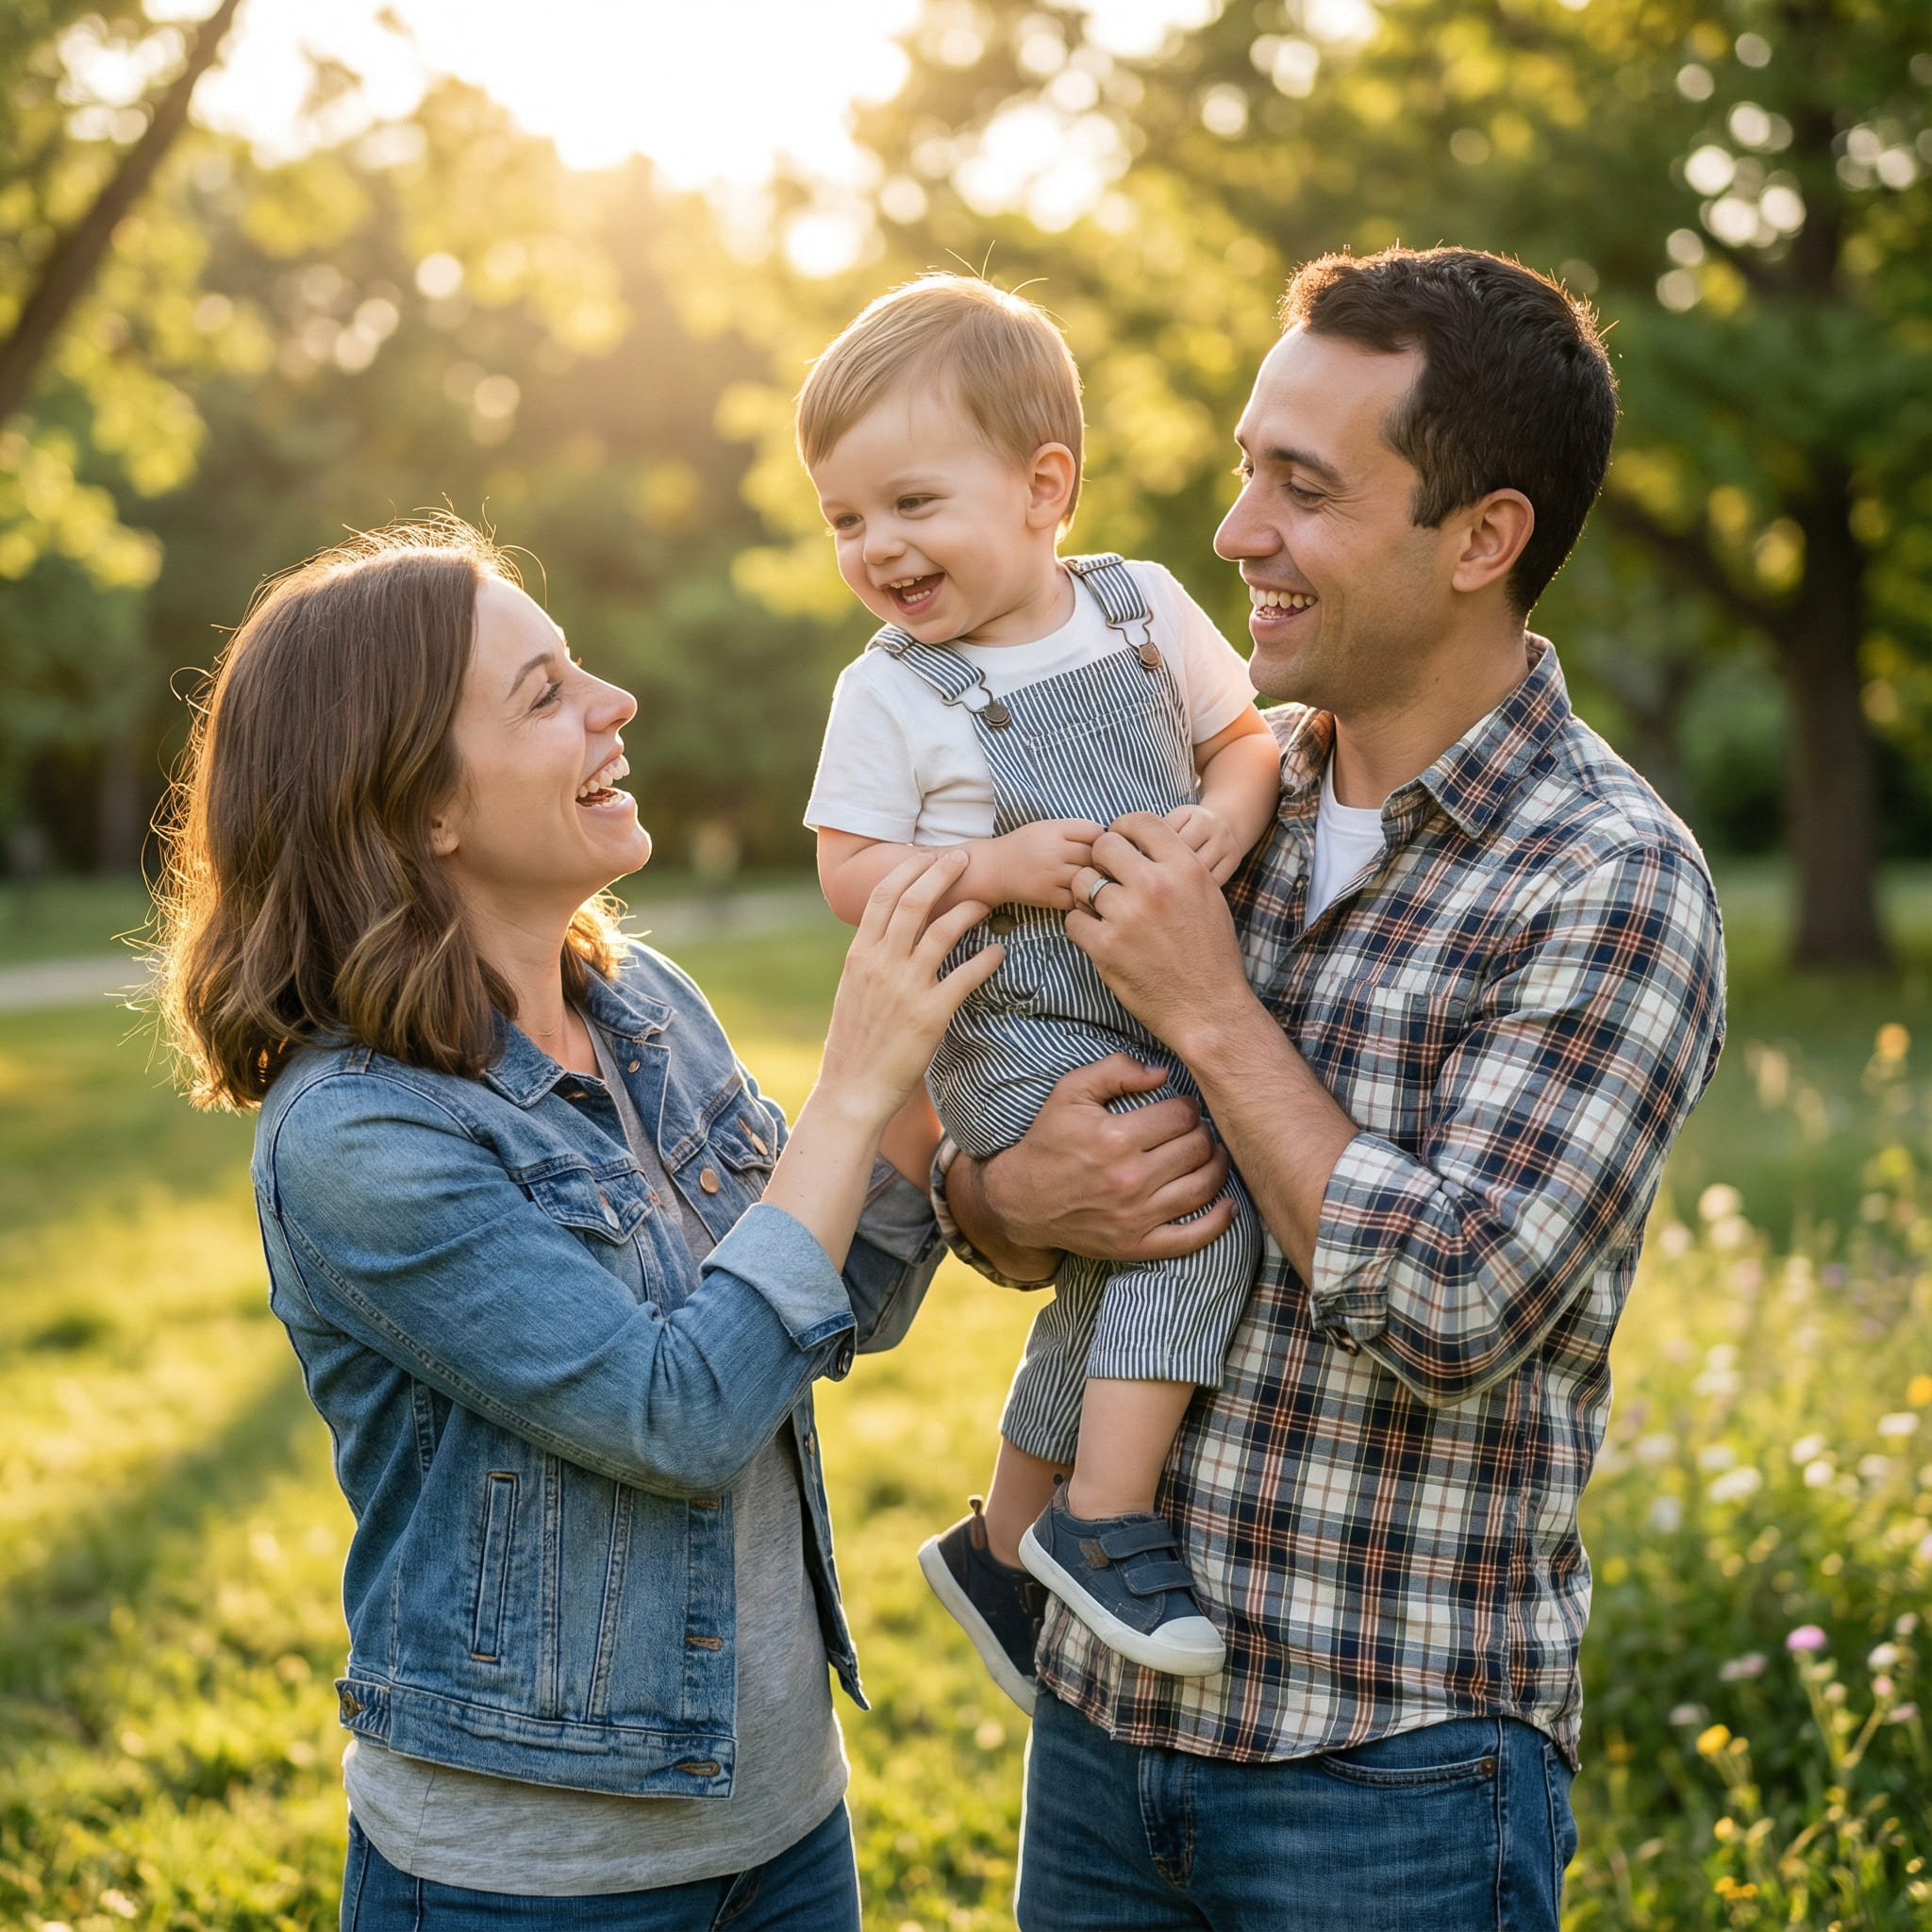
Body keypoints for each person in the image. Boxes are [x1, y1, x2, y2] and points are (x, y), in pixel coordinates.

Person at [941, 248, 1728, 1929]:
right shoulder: (1201, 794)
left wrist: (1211, 1012)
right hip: (1101, 1734)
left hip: (1389, 1773)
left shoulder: (1607, 880)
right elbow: (1018, 1190)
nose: (1236, 531)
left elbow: (1454, 1301)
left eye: (1302, 488)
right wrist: (1000, 1196)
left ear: (1480, 539)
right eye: (1246, 469)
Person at [155, 520, 1001, 1927]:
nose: (614, 703)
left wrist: (933, 1105)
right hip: (539, 1886)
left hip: (791, 1823)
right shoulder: (362, 1136)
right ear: (421, 806)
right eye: (544, 693)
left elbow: (827, 1292)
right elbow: (681, 1415)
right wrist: (853, 1082)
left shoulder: (644, 1004)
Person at [799, 275, 1281, 1702]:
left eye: (911, 503)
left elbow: (1243, 738)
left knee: (1113, 1261)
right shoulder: (892, 690)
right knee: (1190, 1217)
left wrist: (1228, 819)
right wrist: (992, 867)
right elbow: (844, 871)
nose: (877, 546)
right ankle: (1105, 1520)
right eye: (845, 519)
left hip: (1147, 991)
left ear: (1041, 486)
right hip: (1011, 1018)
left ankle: (1004, 1541)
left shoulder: (1142, 610)